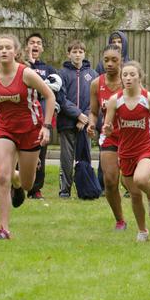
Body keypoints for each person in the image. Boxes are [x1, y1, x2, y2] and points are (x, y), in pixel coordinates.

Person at [0, 34, 56, 240]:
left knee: (28, 184)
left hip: (30, 129)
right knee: (2, 176)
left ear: (16, 52)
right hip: (4, 128)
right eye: (0, 48)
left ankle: (19, 186)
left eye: (7, 48)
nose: (3, 51)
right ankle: (3, 229)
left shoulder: (26, 74)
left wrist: (46, 127)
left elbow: (50, 96)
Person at [102, 61, 150, 242]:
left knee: (140, 180)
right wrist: (106, 130)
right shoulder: (115, 100)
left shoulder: (149, 98)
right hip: (126, 152)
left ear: (140, 77)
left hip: (147, 148)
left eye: (132, 75)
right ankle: (142, 231)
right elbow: (107, 126)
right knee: (135, 195)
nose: (128, 78)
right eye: (125, 75)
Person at [88, 44, 127, 229]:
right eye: (106, 60)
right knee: (110, 181)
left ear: (122, 61)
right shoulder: (97, 83)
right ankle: (120, 220)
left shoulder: (129, 82)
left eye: (114, 60)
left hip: (131, 136)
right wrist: (91, 123)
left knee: (132, 183)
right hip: (109, 137)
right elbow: (94, 112)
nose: (109, 64)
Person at [58, 40, 98, 198]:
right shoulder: (61, 74)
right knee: (66, 158)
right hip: (67, 123)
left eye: (80, 51)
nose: (77, 54)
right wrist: (78, 115)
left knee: (84, 157)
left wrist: (85, 117)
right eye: (74, 51)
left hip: (85, 124)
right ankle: (64, 190)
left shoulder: (92, 74)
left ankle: (85, 189)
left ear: (84, 54)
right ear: (69, 54)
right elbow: (61, 98)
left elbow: (94, 99)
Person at [24, 32, 57, 200]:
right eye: (31, 43)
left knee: (40, 154)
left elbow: (53, 90)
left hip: (41, 117)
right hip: (24, 117)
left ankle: (35, 189)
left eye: (38, 43)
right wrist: (29, 62)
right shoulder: (22, 66)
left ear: (42, 48)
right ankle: (17, 186)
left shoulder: (48, 70)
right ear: (26, 47)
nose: (35, 45)